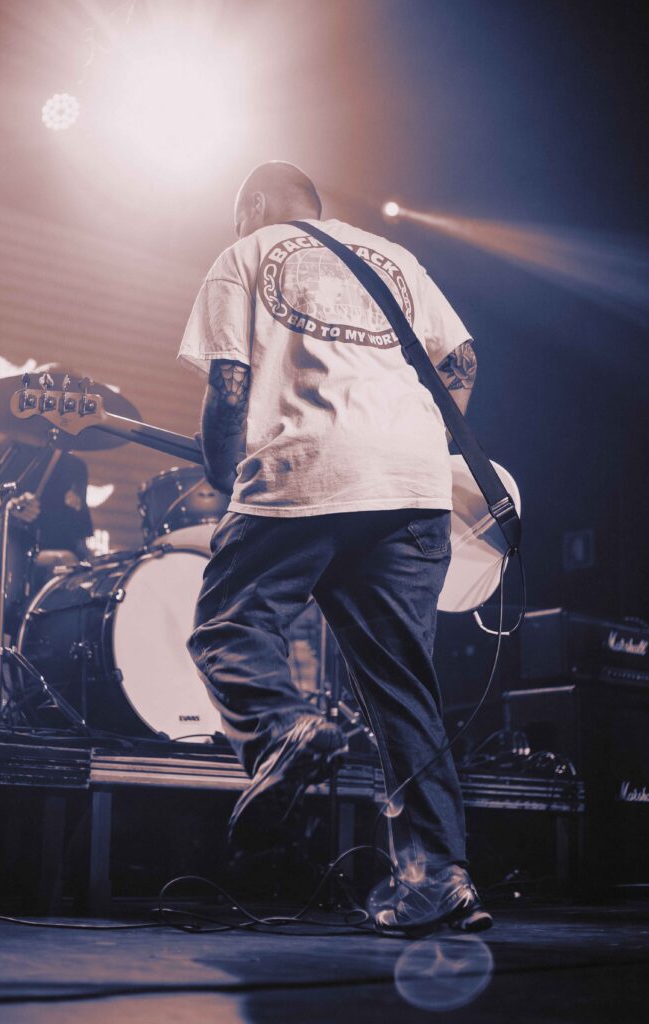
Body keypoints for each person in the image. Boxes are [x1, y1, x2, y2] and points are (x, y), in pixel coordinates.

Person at [178, 161, 491, 934]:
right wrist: (416, 442)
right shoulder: (395, 258)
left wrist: (222, 472)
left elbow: (227, 383)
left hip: (305, 463)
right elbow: (461, 361)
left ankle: (281, 728)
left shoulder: (244, 253)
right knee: (402, 685)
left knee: (228, 623)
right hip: (414, 483)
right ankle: (437, 877)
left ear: (253, 204)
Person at [0, 437, 93, 559]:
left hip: (57, 554)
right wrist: (9, 506)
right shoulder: (10, 448)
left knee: (65, 558)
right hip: (10, 549)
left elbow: (80, 534)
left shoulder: (76, 466)